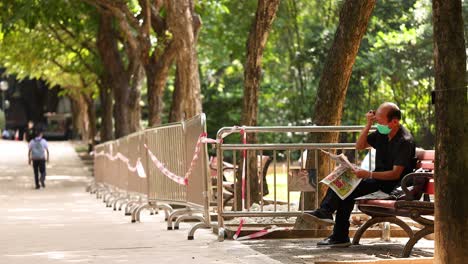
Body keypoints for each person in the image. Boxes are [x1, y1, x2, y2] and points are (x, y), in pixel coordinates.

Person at [302, 102, 416, 247]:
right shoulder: (383, 133)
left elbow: (395, 175)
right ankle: (332, 223)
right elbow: (360, 146)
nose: (377, 125)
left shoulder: (404, 141)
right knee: (344, 183)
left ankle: (334, 226)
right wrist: (368, 124)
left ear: (394, 122)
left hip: (394, 187)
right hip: (378, 180)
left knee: (348, 189)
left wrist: (368, 174)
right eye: (376, 121)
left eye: (379, 122)